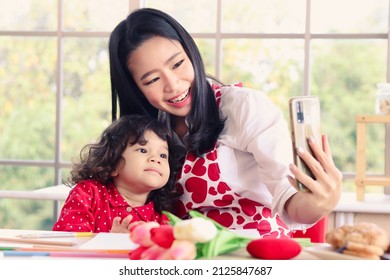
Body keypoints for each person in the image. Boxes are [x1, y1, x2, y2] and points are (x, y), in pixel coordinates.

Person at [108, 8, 343, 238]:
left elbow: (289, 198)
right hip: (185, 255)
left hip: (255, 253)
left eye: (177, 64)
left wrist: (320, 203)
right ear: (136, 90)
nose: (172, 85)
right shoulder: (144, 133)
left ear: (191, 54)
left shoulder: (244, 107)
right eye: (152, 79)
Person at [53, 114, 178, 233]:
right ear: (113, 164)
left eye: (163, 155)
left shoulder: (164, 219)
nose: (156, 159)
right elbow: (68, 239)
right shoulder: (88, 193)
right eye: (143, 150)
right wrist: (110, 241)